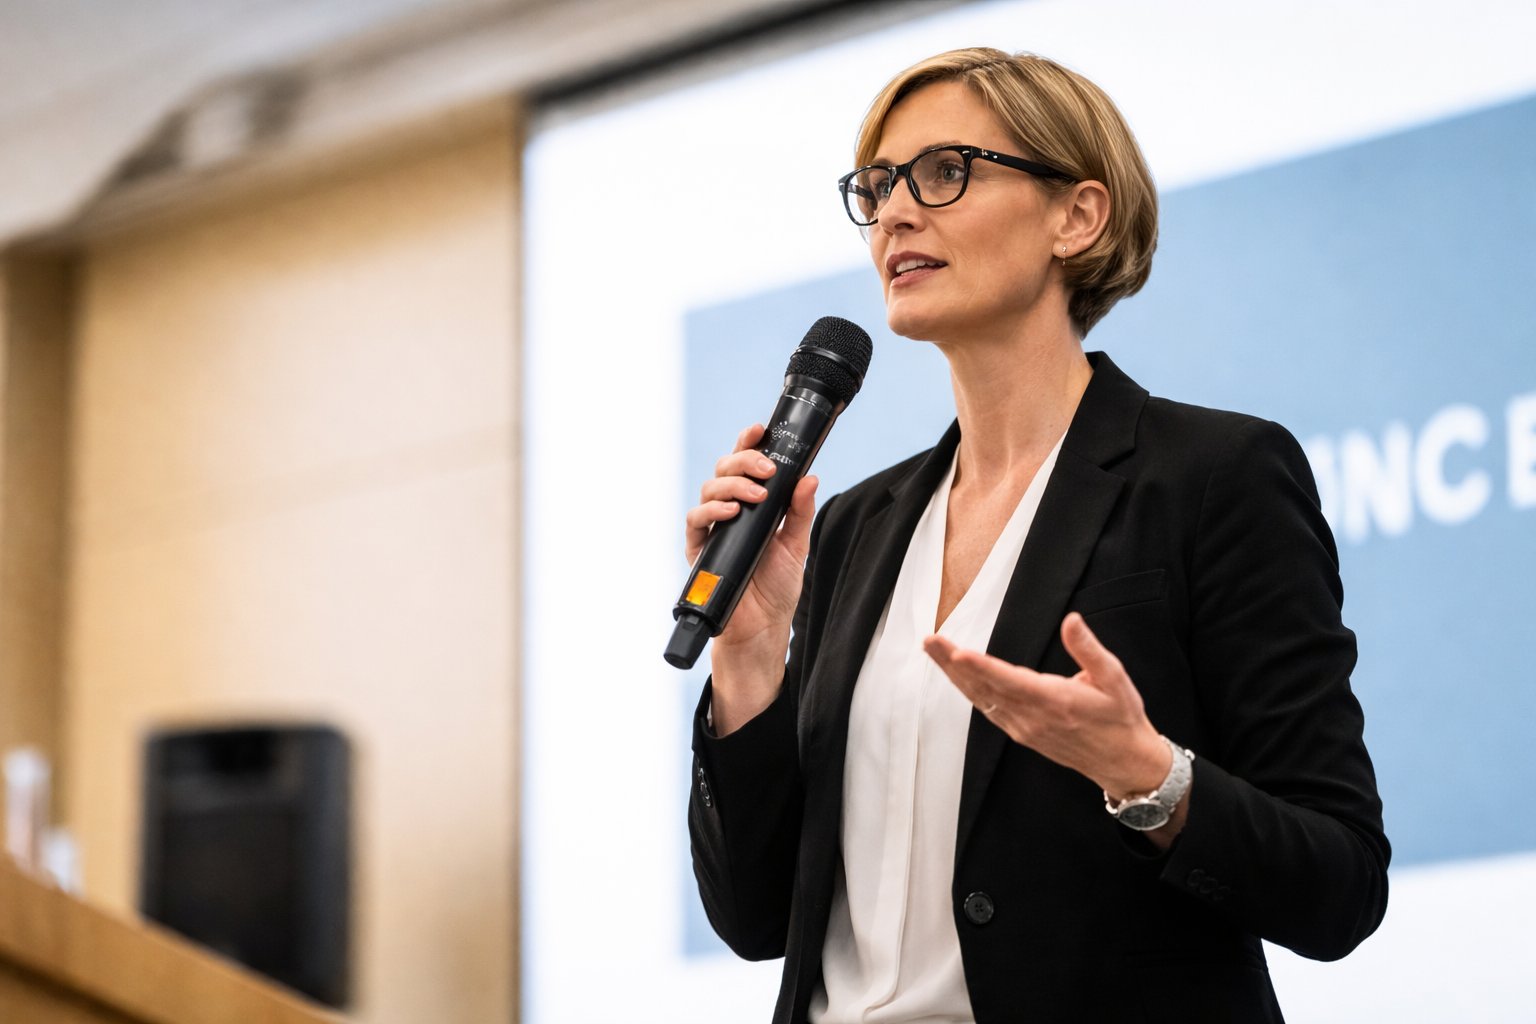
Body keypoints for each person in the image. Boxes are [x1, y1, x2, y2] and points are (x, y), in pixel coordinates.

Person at [685, 47, 1388, 1023]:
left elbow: (1340, 882)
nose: (894, 212)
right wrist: (751, 657)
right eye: (878, 186)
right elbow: (760, 917)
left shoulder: (1210, 476)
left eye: (943, 172)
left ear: (1078, 214)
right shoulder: (853, 526)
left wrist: (1147, 775)